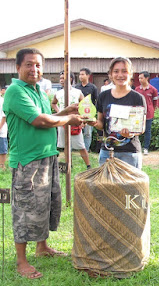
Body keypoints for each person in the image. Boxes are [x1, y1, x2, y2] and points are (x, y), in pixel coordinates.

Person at [3, 48, 83, 279]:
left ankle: (42, 247)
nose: (34, 69)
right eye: (29, 64)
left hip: (47, 156)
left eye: (38, 65)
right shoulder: (16, 91)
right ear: (18, 67)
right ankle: (21, 261)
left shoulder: (38, 90)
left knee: (46, 203)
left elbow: (49, 114)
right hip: (27, 161)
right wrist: (69, 118)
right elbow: (40, 121)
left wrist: (67, 111)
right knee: (25, 209)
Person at [89, 57, 145, 168]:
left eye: (124, 71)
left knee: (130, 186)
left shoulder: (137, 98)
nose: (120, 75)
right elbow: (101, 124)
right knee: (107, 185)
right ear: (110, 74)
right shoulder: (103, 96)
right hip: (107, 152)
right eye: (116, 71)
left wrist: (131, 133)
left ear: (130, 74)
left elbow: (141, 128)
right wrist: (92, 122)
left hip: (130, 153)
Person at [51, 71, 91, 169]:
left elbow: (85, 105)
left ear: (70, 79)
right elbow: (53, 103)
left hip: (75, 122)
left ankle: (88, 165)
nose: (61, 80)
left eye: (63, 78)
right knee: (66, 145)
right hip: (62, 121)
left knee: (81, 145)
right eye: (60, 78)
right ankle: (68, 165)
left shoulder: (77, 92)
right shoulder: (58, 93)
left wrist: (83, 119)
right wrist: (60, 111)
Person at [135, 71, 158, 155]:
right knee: (136, 130)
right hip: (138, 113)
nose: (140, 79)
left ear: (146, 78)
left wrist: (152, 111)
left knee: (147, 131)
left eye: (141, 78)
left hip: (148, 113)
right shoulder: (137, 89)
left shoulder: (153, 89)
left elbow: (155, 103)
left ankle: (146, 148)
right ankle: (137, 147)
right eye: (139, 78)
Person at [75, 67, 98, 152]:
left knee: (87, 133)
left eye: (82, 74)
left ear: (88, 75)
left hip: (89, 114)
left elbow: (96, 100)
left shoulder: (93, 87)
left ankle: (86, 149)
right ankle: (78, 149)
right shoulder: (76, 87)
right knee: (77, 131)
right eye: (79, 74)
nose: (80, 76)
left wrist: (93, 112)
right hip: (78, 113)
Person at [0, 92, 7, 169]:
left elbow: (4, 116)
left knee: (2, 148)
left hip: (2, 129)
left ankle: (2, 165)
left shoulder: (3, 101)